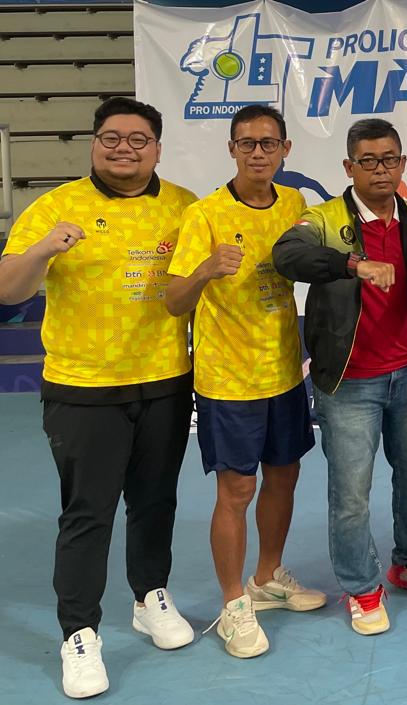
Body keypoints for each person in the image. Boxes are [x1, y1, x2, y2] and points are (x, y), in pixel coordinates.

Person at [0, 97, 197, 698]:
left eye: (138, 139)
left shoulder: (185, 206)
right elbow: (10, 291)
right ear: (94, 142)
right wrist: (42, 250)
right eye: (111, 137)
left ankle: (149, 596)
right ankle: (79, 633)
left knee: (156, 499)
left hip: (165, 380)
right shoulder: (57, 206)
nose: (123, 148)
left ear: (157, 147)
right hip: (84, 387)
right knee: (88, 512)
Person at [272, 118, 407, 637]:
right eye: (368, 161)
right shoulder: (323, 218)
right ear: (349, 167)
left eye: (389, 159)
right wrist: (354, 265)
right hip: (348, 383)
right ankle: (361, 588)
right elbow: (288, 255)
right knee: (351, 494)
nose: (380, 169)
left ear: (403, 164)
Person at [165, 105, 323, 659]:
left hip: (284, 373)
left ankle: (266, 577)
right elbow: (172, 301)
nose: (258, 152)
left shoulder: (296, 205)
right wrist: (205, 269)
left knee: (284, 478)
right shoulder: (204, 215)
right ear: (232, 149)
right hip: (228, 380)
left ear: (285, 150)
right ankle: (233, 603)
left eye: (269, 143)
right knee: (236, 490)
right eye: (247, 143)